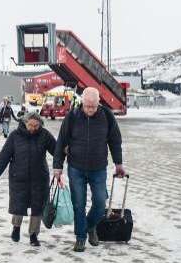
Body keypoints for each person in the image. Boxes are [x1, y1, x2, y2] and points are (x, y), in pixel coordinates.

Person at [52, 87, 126, 252]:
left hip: (98, 168)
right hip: (76, 168)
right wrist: (57, 166)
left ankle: (90, 226)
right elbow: (61, 142)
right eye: (87, 106)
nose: (90, 109)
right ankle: (80, 238)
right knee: (78, 204)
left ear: (99, 103)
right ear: (82, 103)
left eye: (93, 106)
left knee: (100, 203)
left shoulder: (107, 116)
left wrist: (118, 163)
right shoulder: (72, 116)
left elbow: (115, 141)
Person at [0, 112, 56, 246]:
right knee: (18, 205)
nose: (33, 128)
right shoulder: (15, 135)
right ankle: (16, 228)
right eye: (30, 125)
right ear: (25, 123)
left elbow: (57, 150)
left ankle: (33, 235)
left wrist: (67, 155)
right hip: (19, 177)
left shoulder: (44, 135)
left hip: (39, 177)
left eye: (36, 126)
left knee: (37, 207)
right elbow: (4, 155)